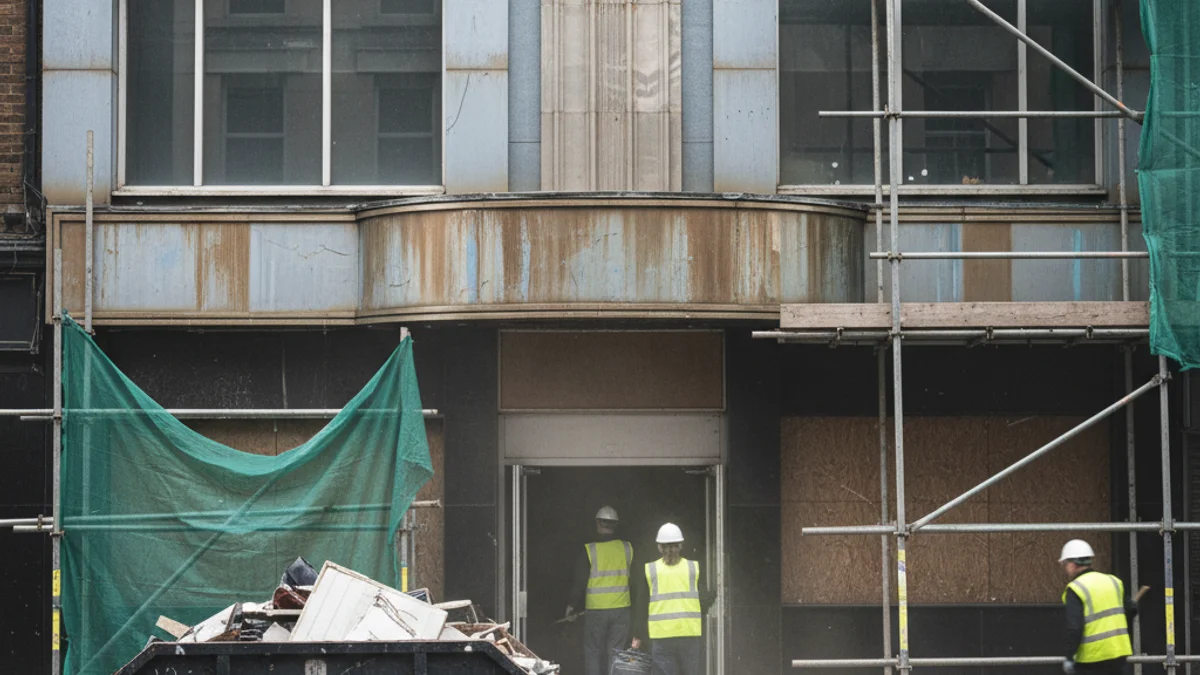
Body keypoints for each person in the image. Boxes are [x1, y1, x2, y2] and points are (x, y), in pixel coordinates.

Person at [632, 523, 714, 675]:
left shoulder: (651, 570)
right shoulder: (693, 568)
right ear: (680, 546)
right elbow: (704, 600)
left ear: (659, 547)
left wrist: (637, 635)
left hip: (661, 637)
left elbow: (642, 605)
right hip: (689, 635)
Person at [567, 506, 635, 675]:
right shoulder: (627, 548)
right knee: (616, 653)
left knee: (593, 653)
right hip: (621, 609)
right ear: (616, 525)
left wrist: (571, 605)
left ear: (598, 523)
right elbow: (635, 580)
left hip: (596, 611)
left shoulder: (589, 550)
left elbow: (580, 582)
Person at [1060, 539, 1137, 675]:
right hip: (1118, 653)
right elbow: (1130, 612)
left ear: (1072, 565)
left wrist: (1069, 656)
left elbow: (1075, 627)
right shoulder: (1114, 582)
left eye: (1065, 564)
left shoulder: (1075, 588)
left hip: (1091, 659)